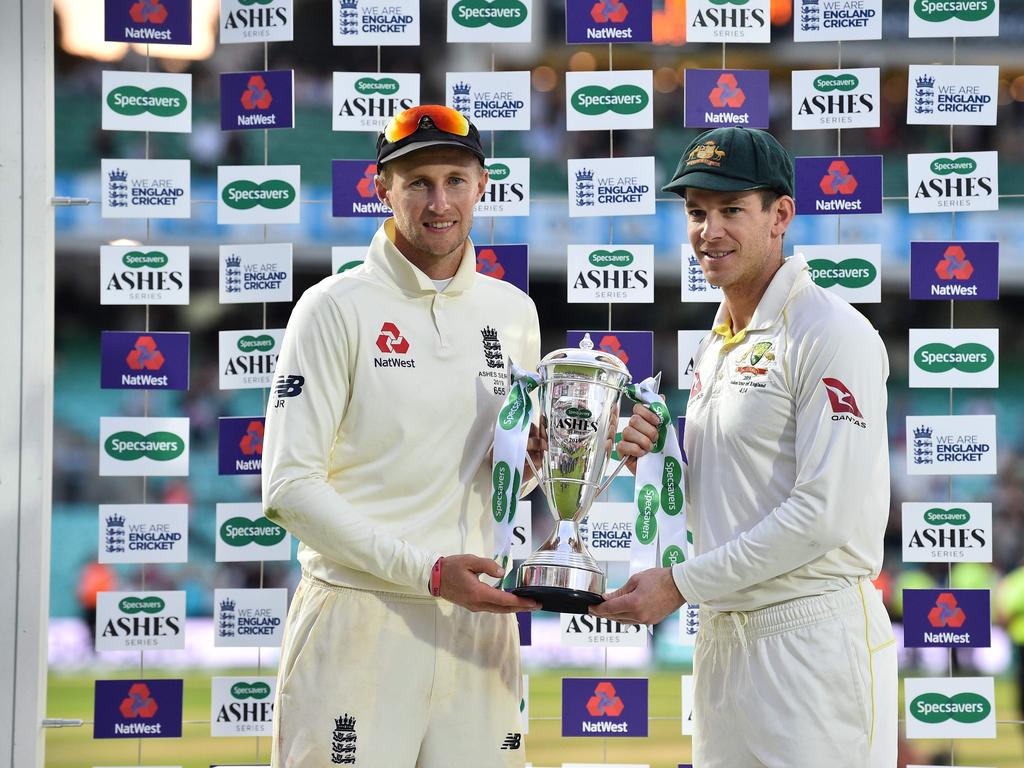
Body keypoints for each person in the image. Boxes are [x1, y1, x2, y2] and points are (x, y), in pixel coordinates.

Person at [592, 126, 896, 767]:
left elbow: (823, 515)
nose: (710, 231)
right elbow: (738, 488)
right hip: (724, 638)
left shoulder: (832, 331)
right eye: (697, 212)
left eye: (732, 209)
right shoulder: (718, 342)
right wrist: (661, 458)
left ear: (781, 214)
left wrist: (680, 584)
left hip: (811, 638)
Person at [262, 105, 541, 767]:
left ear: (483, 184)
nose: (438, 201)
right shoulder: (334, 307)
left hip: (478, 621)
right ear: (379, 188)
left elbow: (484, 479)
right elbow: (289, 489)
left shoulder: (513, 312)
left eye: (455, 179)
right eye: (417, 182)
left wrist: (529, 466)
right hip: (360, 619)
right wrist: (429, 573)